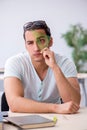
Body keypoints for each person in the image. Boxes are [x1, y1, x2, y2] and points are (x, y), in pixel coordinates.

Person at [4, 20, 81, 114]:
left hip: (57, 119)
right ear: (25, 45)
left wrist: (55, 67)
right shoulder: (14, 63)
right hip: (23, 117)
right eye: (30, 43)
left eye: (41, 40)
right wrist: (55, 108)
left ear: (50, 41)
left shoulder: (65, 63)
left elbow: (74, 102)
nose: (36, 48)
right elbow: (14, 103)